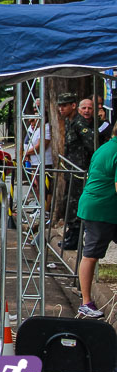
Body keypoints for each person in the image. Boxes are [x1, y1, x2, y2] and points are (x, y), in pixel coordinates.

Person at [73, 132, 117, 318]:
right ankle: (85, 302)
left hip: (101, 206)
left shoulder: (105, 148)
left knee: (90, 254)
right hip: (101, 209)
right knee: (91, 255)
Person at [58, 93, 95, 251]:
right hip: (72, 171)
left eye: (64, 105)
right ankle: (72, 233)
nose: (61, 108)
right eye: (60, 105)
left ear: (73, 106)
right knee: (70, 203)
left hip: (80, 173)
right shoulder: (70, 122)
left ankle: (76, 236)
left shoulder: (80, 124)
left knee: (76, 205)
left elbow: (92, 145)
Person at [21, 107, 53, 225]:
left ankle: (45, 210)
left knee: (45, 187)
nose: (32, 121)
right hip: (34, 161)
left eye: (34, 119)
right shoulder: (36, 129)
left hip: (45, 162)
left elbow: (41, 146)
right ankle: (39, 207)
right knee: (37, 186)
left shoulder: (46, 128)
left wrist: (26, 153)